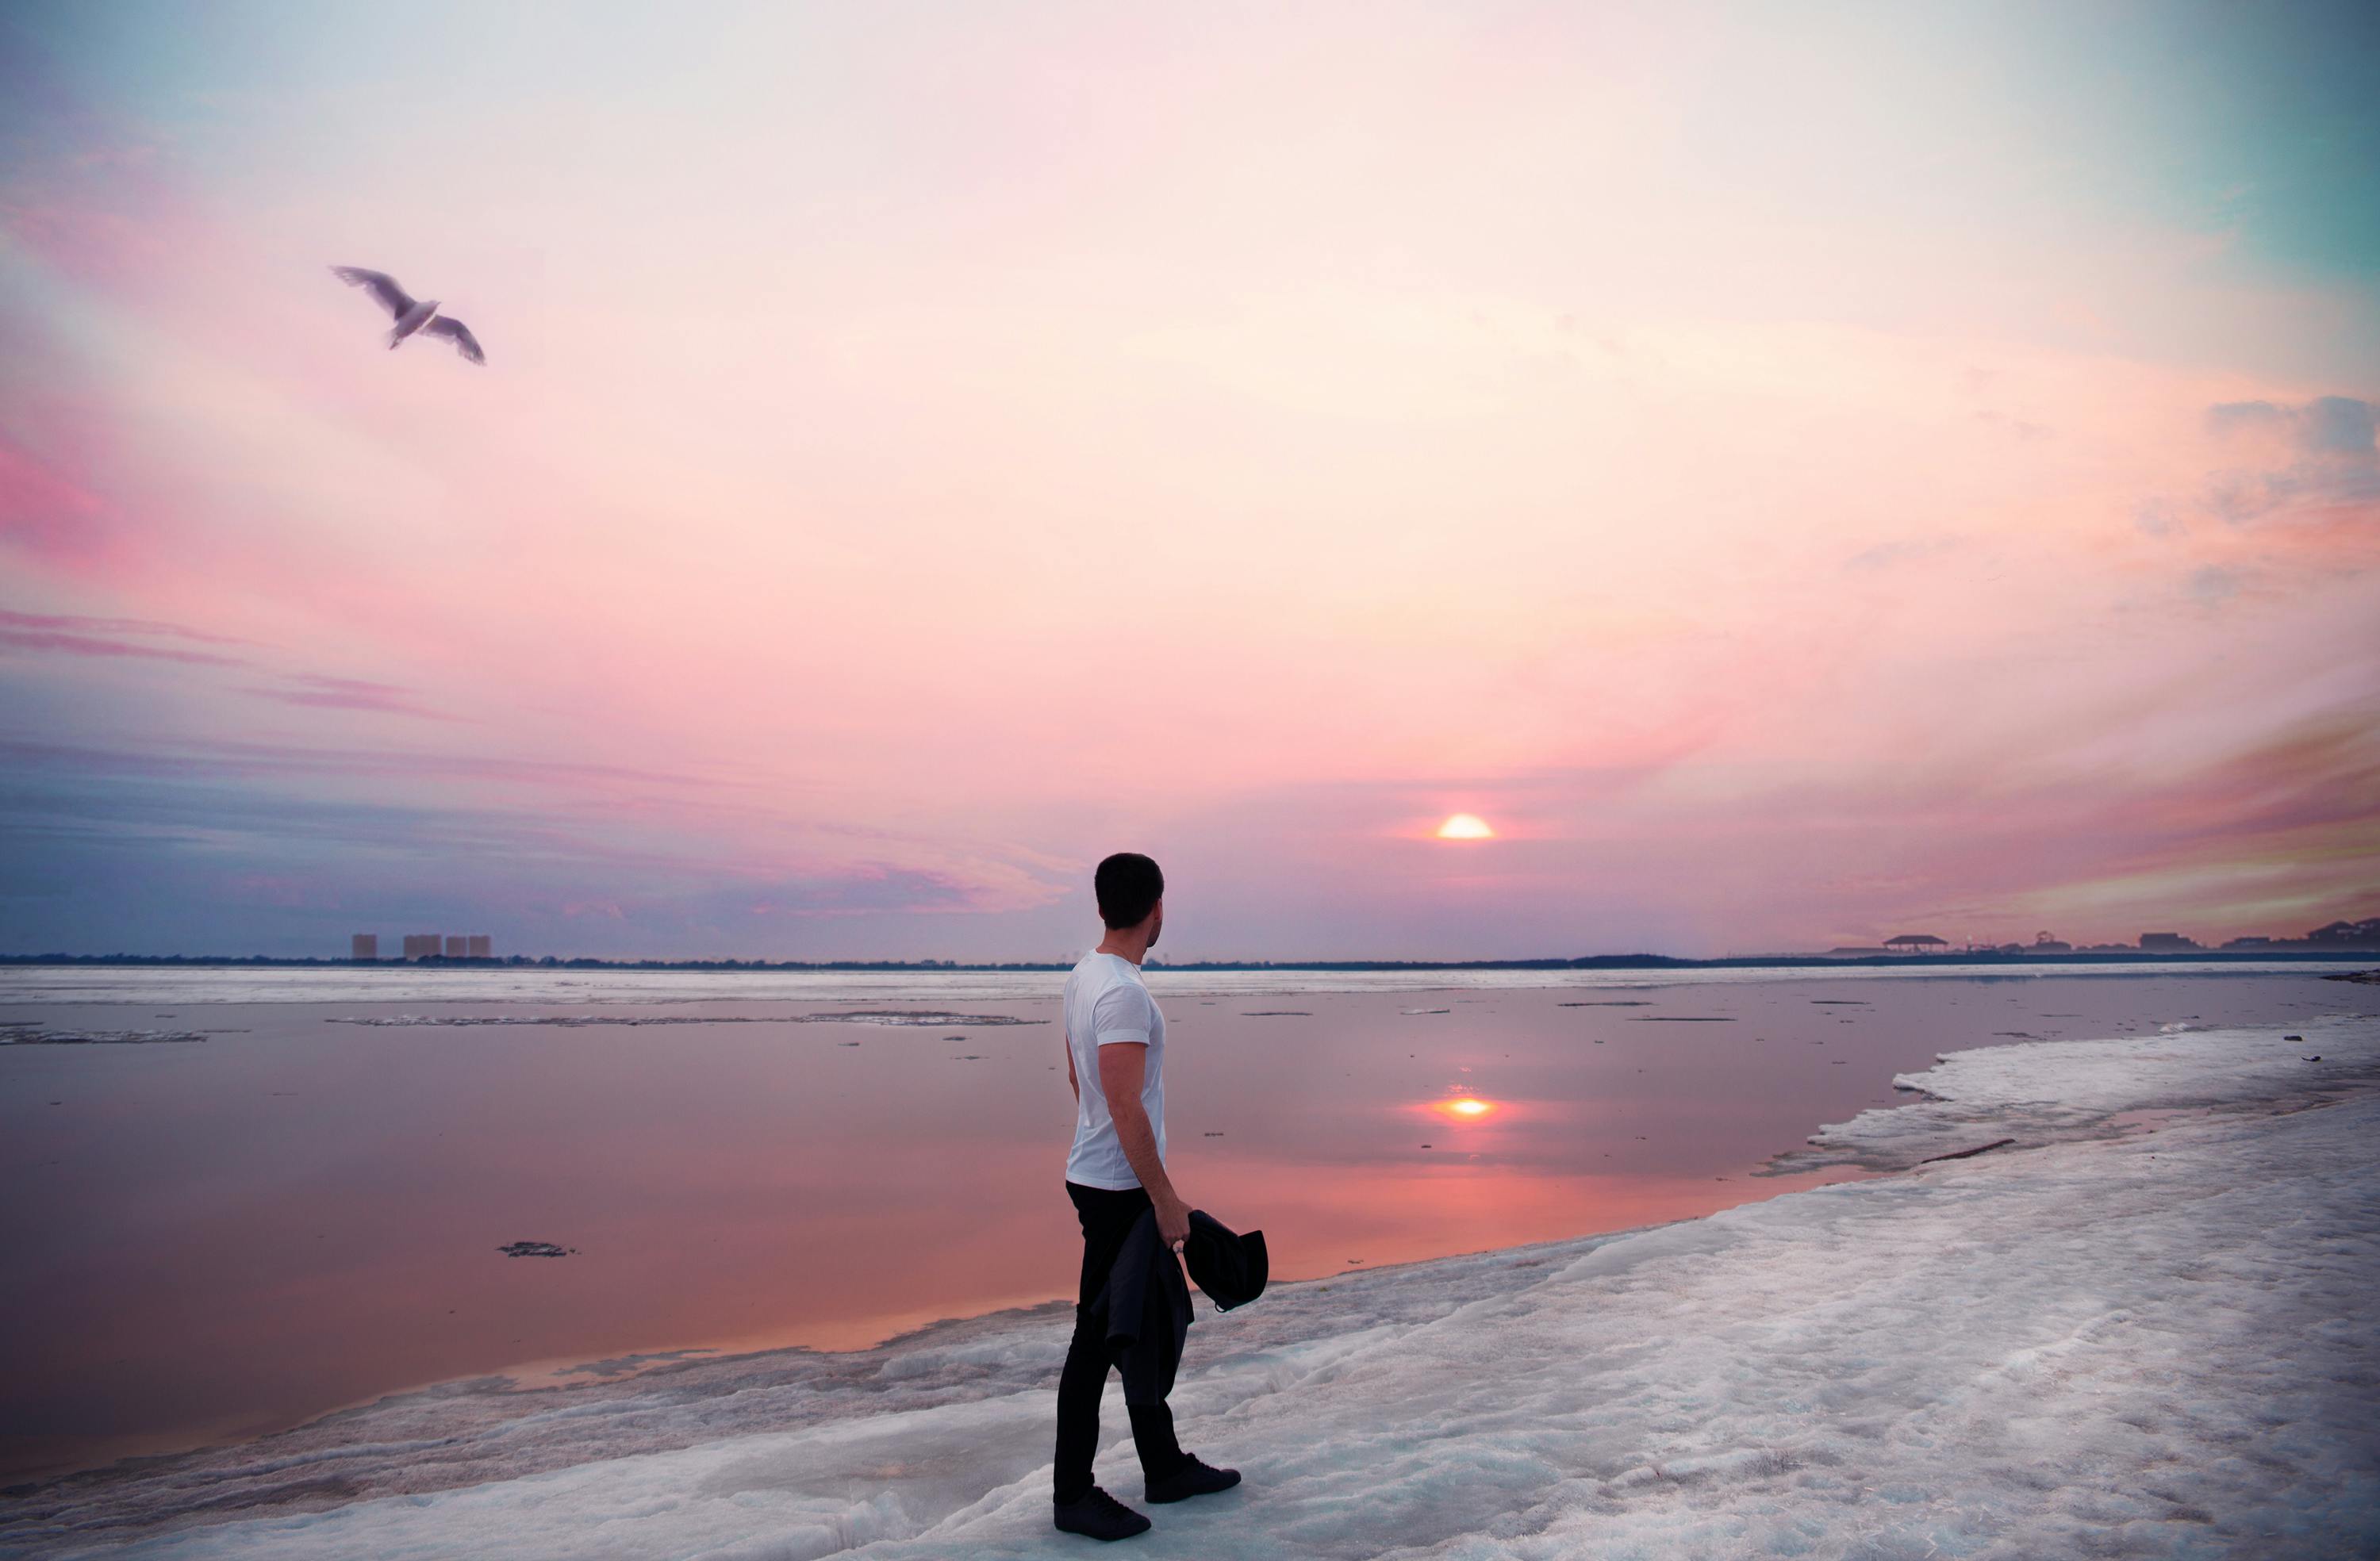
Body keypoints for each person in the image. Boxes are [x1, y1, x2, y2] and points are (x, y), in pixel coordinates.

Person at [1051, 852, 1242, 1541]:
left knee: (1145, 1324)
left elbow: (1080, 1078)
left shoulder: (1084, 976)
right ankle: (1072, 1493)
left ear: (1103, 906)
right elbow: (1124, 1103)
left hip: (1102, 1172)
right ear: (1157, 908)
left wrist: (1106, 1141)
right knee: (1097, 1337)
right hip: (1119, 1188)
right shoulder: (1124, 991)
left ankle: (1163, 1467)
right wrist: (1163, 1199)